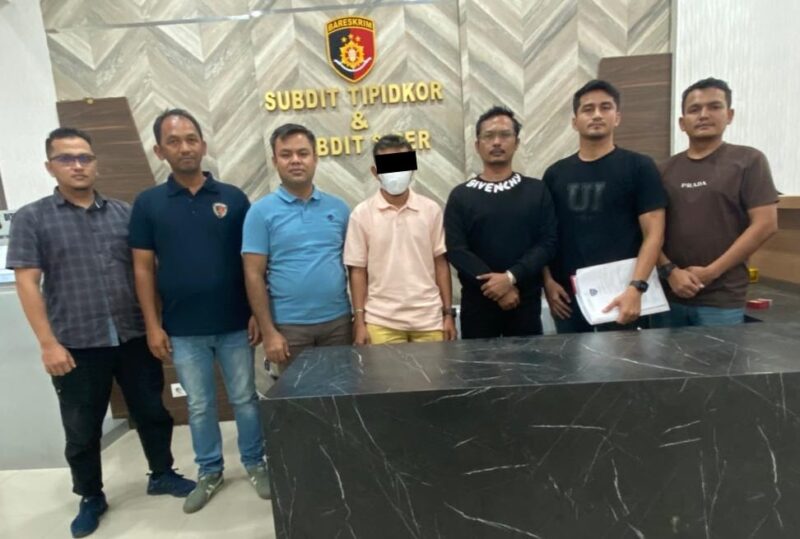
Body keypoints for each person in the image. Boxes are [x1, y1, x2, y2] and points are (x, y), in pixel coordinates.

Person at [6, 127, 195, 538]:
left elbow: (146, 272)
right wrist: (48, 343)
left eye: (84, 158)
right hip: (75, 343)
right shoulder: (32, 218)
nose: (77, 165)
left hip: (132, 335)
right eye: (66, 158)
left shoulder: (125, 214)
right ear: (50, 167)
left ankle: (162, 473)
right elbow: (27, 283)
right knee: (82, 427)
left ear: (96, 163)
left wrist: (155, 325)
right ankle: (91, 495)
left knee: (152, 411)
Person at [129, 109, 269, 514]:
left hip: (235, 323)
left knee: (245, 399)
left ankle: (255, 462)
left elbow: (252, 262)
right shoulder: (149, 204)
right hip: (182, 328)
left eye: (191, 139)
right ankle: (210, 471)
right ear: (159, 150)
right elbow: (142, 268)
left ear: (203, 145)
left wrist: (257, 313)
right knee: (200, 405)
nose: (185, 147)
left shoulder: (233, 198)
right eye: (174, 141)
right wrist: (153, 325)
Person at [542, 80, 667, 333]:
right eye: (588, 109)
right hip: (568, 298)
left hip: (624, 293)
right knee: (569, 359)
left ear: (617, 117)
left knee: (625, 359)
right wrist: (548, 283)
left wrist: (637, 287)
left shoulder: (640, 167)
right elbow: (544, 235)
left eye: (605, 107)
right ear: (575, 121)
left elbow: (654, 234)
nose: (597, 114)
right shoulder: (555, 174)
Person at [653, 77, 778, 327]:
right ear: (682, 123)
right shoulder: (662, 170)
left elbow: (766, 224)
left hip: (723, 299)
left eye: (714, 107)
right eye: (694, 109)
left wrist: (711, 272)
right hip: (668, 295)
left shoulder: (749, 161)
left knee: (720, 355)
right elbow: (649, 230)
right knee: (662, 355)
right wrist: (671, 271)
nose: (704, 115)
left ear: (729, 115)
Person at [242, 123, 351, 375]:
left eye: (303, 153)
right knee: (301, 397)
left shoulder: (339, 208)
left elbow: (355, 267)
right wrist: (268, 331)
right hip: (289, 327)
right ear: (275, 161)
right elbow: (253, 274)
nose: (295, 161)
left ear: (315, 158)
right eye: (286, 154)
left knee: (344, 392)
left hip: (339, 323)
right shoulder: (260, 213)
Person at [444, 106, 557, 338]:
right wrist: (498, 288)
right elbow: (456, 250)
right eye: (489, 136)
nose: (497, 142)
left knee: (530, 361)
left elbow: (548, 242)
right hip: (477, 306)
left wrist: (510, 278)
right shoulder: (461, 195)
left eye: (505, 135)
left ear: (516, 143)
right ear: (477, 145)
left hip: (525, 303)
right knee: (478, 363)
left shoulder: (537, 190)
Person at [345, 135, 456, 344]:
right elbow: (357, 271)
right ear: (375, 172)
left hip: (429, 319)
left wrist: (448, 314)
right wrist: (359, 322)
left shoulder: (431, 210)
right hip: (381, 321)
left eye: (401, 164)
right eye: (388, 166)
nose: (396, 172)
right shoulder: (361, 214)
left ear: (412, 168)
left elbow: (441, 263)